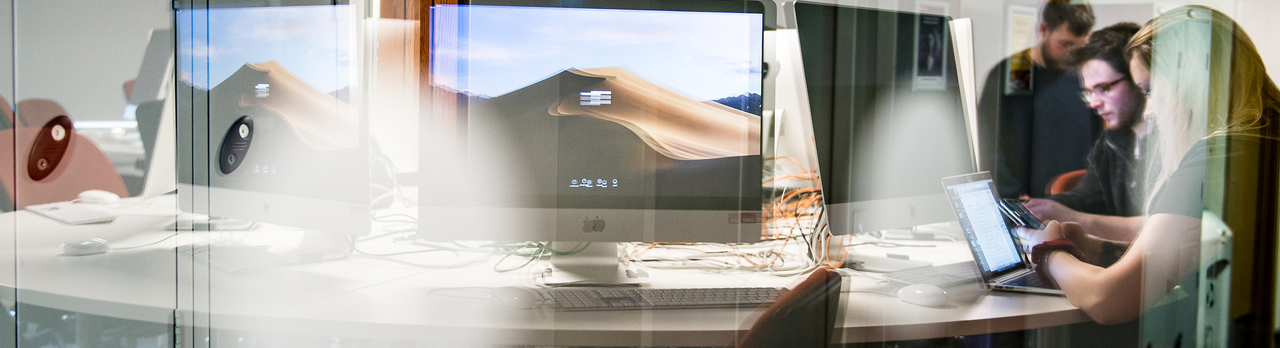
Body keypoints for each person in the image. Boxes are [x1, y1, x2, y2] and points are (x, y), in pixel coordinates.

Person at [1024, 6, 1279, 342]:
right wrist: (1097, 249)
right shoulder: (1265, 137)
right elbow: (1183, 255)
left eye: (1149, 90)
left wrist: (1049, 253)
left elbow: (1108, 300)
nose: (1151, 111)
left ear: (1191, 81)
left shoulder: (1219, 157)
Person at [1024, 22, 1147, 242]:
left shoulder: (1173, 141)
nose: (1093, 103)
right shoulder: (1112, 139)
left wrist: (1071, 217)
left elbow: (1158, 228)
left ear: (1137, 77)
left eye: (1103, 89)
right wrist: (1038, 209)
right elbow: (1087, 197)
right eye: (1089, 92)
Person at [978, 0, 1100, 199]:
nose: (1072, 54)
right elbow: (987, 141)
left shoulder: (1087, 75)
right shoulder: (1013, 72)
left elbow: (1097, 139)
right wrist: (1012, 192)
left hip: (1075, 202)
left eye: (1080, 46)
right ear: (1042, 30)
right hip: (1023, 203)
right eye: (1065, 44)